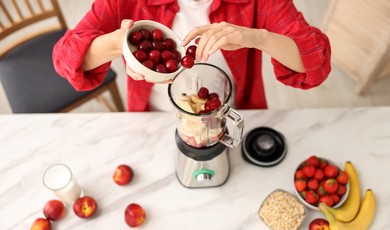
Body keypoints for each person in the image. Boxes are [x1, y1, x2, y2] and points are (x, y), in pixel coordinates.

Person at [53, 0, 331, 112]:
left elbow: (316, 59)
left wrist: (256, 37)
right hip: (154, 116)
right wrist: (118, 43)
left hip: (229, 111)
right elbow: (64, 58)